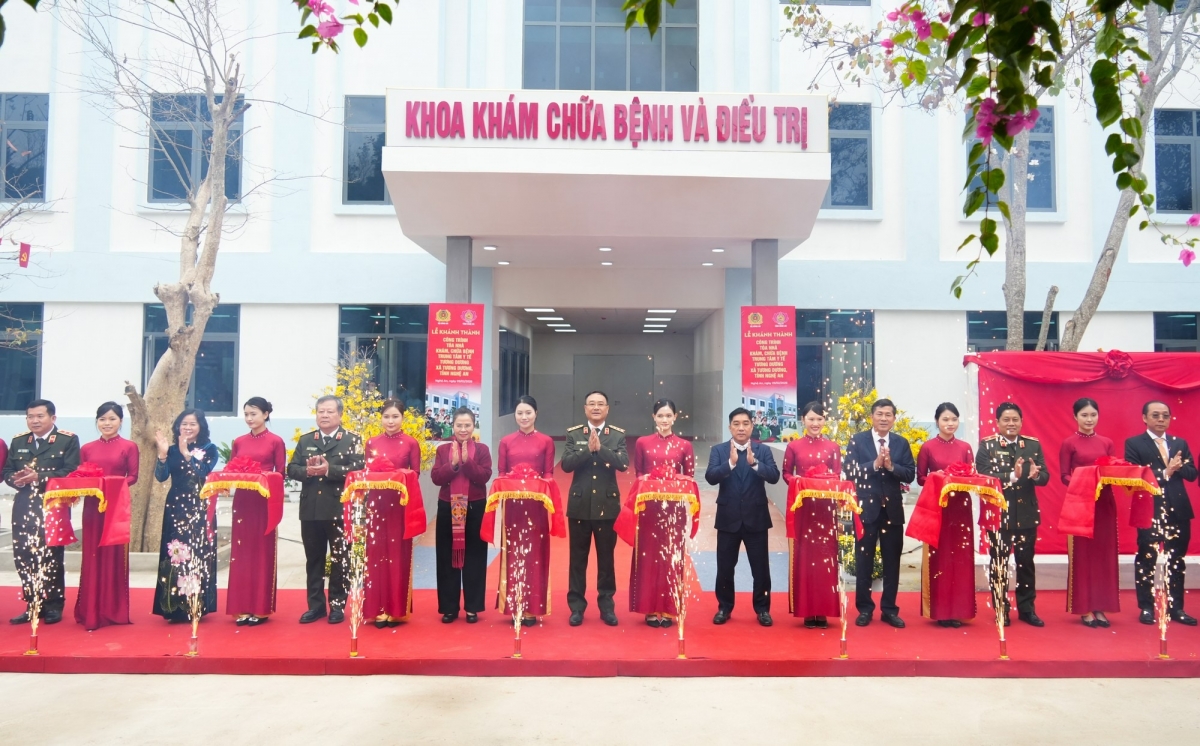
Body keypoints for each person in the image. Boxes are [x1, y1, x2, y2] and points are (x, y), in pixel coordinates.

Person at [286, 395, 364, 625]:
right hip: (311, 510)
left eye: (330, 411)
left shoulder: (352, 439)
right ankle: (316, 606)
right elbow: (291, 468)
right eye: (321, 411)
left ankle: (337, 606)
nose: (325, 415)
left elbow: (359, 468)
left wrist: (330, 470)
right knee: (314, 559)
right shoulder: (306, 440)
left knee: (340, 559)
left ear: (340, 414)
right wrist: (308, 471)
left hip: (338, 508)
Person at [4, 399, 81, 625]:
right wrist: (15, 479)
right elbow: (7, 470)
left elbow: (71, 471)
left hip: (52, 505)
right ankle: (32, 604)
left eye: (40, 416)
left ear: (52, 418)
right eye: (30, 417)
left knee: (51, 555)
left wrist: (40, 477)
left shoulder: (67, 440)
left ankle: (54, 605)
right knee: (24, 556)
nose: (34, 421)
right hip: (23, 505)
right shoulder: (19, 441)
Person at [843, 398, 916, 629]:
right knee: (863, 560)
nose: (884, 418)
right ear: (871, 417)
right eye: (879, 414)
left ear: (894, 418)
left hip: (892, 511)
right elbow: (849, 471)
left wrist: (891, 466)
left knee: (892, 562)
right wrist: (875, 464)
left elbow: (910, 474)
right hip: (866, 510)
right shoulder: (858, 440)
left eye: (888, 415)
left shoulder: (901, 443)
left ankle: (889, 609)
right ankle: (864, 609)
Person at [975, 402, 1049, 627]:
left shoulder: (1032, 445)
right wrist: (1012, 476)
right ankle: (1001, 609)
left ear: (1021, 421)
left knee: (1026, 563)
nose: (1011, 423)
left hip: (1026, 514)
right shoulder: (987, 445)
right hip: (1000, 515)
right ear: (997, 422)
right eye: (1006, 420)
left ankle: (1027, 609)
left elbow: (1045, 476)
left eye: (1015, 419)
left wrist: (1036, 476)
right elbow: (983, 476)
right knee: (999, 563)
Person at [705, 407, 781, 627]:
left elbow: (774, 476)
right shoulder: (719, 450)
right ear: (730, 427)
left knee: (761, 569)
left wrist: (754, 464)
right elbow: (710, 477)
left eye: (745, 423)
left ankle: (763, 609)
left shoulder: (762, 451)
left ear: (752, 426)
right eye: (736, 424)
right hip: (728, 518)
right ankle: (724, 607)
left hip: (756, 518)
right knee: (725, 568)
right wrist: (729, 464)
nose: (741, 428)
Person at [1125, 401, 1198, 626]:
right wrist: (1166, 471)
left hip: (1179, 510)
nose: (1161, 419)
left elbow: (1192, 474)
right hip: (1150, 510)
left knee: (1176, 561)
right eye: (1155, 415)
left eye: (1165, 416)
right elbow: (1134, 476)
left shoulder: (1179, 443)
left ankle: (1176, 608)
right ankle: (1147, 607)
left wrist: (1178, 467)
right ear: (1144, 418)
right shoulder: (1134, 443)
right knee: (1146, 559)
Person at [562, 390, 629, 627]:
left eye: (601, 404)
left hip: (606, 507)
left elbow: (623, 464)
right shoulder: (574, 434)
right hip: (579, 506)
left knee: (606, 560)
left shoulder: (617, 435)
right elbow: (566, 465)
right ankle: (576, 607)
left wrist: (601, 449)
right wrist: (587, 450)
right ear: (585, 408)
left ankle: (607, 606)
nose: (596, 407)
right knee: (577, 560)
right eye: (592, 404)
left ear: (607, 409)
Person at [629, 398, 696, 628]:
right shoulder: (642, 443)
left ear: (675, 417)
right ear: (653, 418)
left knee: (671, 556)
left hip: (674, 509)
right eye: (660, 416)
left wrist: (672, 480)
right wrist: (652, 480)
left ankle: (669, 608)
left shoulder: (684, 445)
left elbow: (689, 477)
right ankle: (649, 607)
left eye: (668, 416)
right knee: (648, 556)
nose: (664, 420)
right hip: (649, 508)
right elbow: (639, 474)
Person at [76, 402, 138, 630]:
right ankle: (90, 612)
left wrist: (109, 484)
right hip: (92, 508)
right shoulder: (87, 448)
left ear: (121, 421)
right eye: (102, 419)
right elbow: (80, 475)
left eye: (112, 419)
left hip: (115, 506)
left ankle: (112, 611)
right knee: (92, 555)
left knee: (114, 555)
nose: (107, 423)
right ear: (97, 422)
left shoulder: (129, 446)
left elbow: (133, 476)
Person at [152, 409, 220, 622]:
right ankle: (173, 605)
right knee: (175, 553)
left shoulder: (209, 448)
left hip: (199, 507)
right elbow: (161, 477)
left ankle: (195, 605)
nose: (188, 427)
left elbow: (203, 471)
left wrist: (186, 453)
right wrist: (163, 455)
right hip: (175, 506)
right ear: (178, 426)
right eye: (184, 424)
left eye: (192, 424)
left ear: (200, 427)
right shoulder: (171, 449)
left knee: (197, 553)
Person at [495, 395, 556, 625]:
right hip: (513, 506)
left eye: (528, 412)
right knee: (513, 551)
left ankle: (533, 607)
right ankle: (514, 605)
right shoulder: (506, 441)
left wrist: (536, 486)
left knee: (535, 553)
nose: (524, 417)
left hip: (536, 506)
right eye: (519, 413)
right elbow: (501, 474)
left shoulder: (546, 441)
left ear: (536, 414)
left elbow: (548, 475)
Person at [226, 397, 287, 627]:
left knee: (262, 552)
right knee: (241, 552)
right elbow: (231, 468)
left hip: (264, 502)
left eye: (254, 414)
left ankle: (261, 608)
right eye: (246, 414)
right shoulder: (239, 441)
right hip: (243, 501)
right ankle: (241, 606)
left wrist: (262, 478)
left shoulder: (276, 441)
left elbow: (281, 473)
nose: (249, 418)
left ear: (266, 414)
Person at [782, 402, 843, 629]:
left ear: (825, 420)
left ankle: (824, 610)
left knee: (826, 557)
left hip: (826, 510)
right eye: (810, 419)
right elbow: (786, 473)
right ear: (803, 420)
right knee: (805, 556)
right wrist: (798, 481)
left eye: (819, 419)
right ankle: (807, 609)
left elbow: (837, 475)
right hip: (803, 509)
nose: (815, 423)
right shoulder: (794, 446)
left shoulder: (833, 447)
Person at [915, 402, 976, 628]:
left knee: (960, 557)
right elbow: (920, 478)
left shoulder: (965, 447)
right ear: (937, 422)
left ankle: (959, 609)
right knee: (939, 557)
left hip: (960, 508)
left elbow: (973, 476)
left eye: (954, 419)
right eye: (945, 419)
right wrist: (938, 477)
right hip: (937, 506)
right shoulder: (928, 447)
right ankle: (940, 611)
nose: (950, 423)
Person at [1059, 398, 1119, 628]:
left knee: (1103, 555)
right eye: (1084, 415)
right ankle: (1084, 607)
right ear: (1075, 417)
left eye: (1093, 415)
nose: (1089, 419)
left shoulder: (1107, 442)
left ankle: (1100, 606)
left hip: (1104, 504)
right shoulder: (1069, 443)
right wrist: (1084, 483)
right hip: (1080, 503)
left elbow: (1113, 471)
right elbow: (1064, 475)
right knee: (1082, 556)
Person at [363, 398, 423, 628]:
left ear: (403, 418)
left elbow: (415, 474)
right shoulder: (372, 442)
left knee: (398, 554)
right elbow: (367, 472)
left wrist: (396, 475)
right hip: (376, 505)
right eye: (386, 416)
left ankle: (396, 610)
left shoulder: (411, 443)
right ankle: (377, 609)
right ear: (381, 418)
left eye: (395, 416)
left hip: (399, 506)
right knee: (375, 554)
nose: (390, 421)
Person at [430, 406, 493, 623]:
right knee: (446, 557)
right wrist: (454, 464)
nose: (463, 429)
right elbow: (436, 478)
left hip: (475, 507)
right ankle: (449, 608)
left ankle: (472, 607)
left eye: (467, 425)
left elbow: (484, 477)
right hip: (448, 507)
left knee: (475, 557)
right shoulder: (443, 450)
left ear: (474, 426)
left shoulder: (482, 450)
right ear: (453, 426)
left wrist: (467, 462)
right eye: (459, 425)